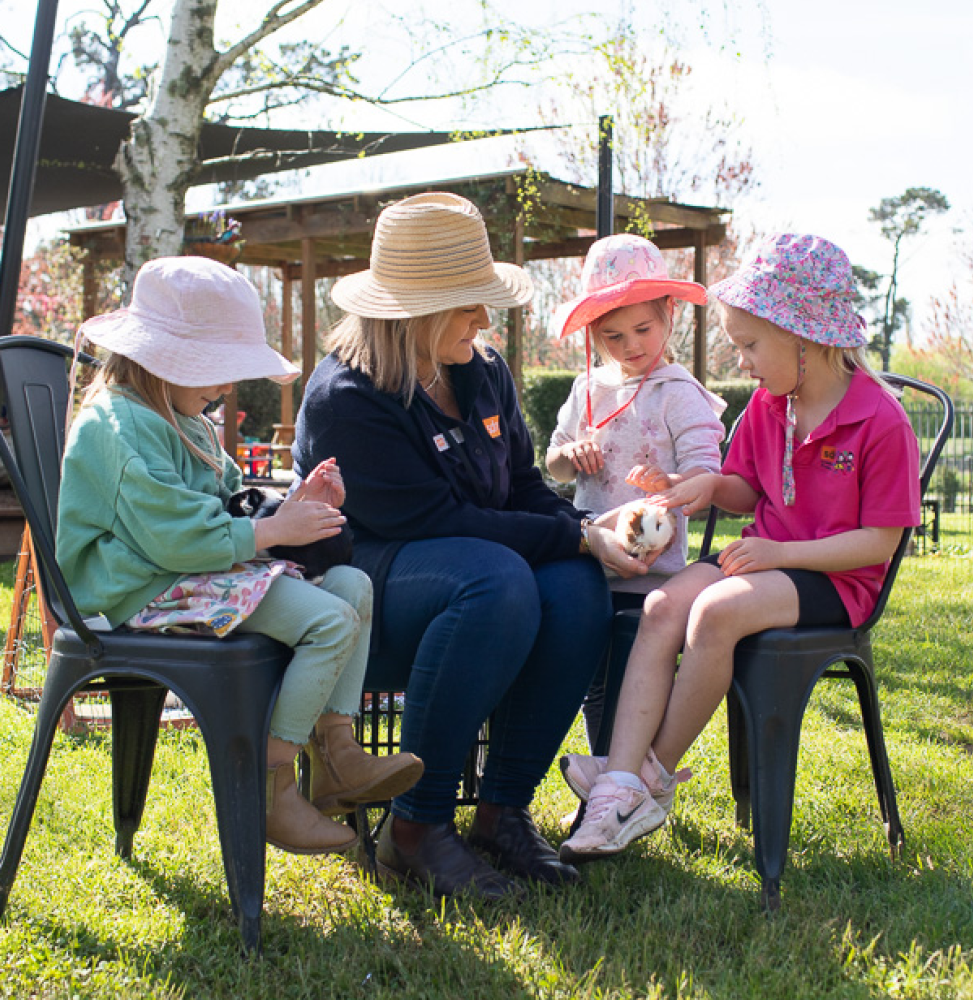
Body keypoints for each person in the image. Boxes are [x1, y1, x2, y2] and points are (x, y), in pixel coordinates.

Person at [292, 192, 647, 899]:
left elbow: (519, 486)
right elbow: (436, 520)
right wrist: (573, 534)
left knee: (577, 586)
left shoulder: (481, 371)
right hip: (363, 600)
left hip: (470, 576)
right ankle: (414, 829)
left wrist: (587, 534)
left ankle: (501, 813)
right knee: (499, 577)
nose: (486, 319)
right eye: (467, 304)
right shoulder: (347, 397)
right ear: (413, 312)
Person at [557, 234, 922, 861]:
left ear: (803, 338)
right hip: (765, 562)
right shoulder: (768, 407)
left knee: (715, 611)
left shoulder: (879, 420)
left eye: (751, 345)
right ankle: (620, 780)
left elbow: (878, 543)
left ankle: (647, 781)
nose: (742, 360)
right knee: (664, 607)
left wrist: (782, 555)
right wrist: (693, 487)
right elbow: (746, 491)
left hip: (836, 579)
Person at [55, 255, 423, 858]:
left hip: (185, 572)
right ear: (164, 359)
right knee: (328, 621)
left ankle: (335, 752)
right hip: (134, 590)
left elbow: (228, 502)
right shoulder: (115, 427)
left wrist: (292, 504)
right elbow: (171, 536)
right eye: (219, 370)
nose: (227, 386)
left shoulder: (184, 418)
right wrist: (276, 531)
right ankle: (273, 786)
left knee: (353, 587)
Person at [544, 233, 726, 752]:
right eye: (613, 336)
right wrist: (570, 454)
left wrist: (671, 486)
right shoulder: (587, 391)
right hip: (585, 563)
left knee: (625, 678)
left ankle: (619, 773)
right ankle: (605, 772)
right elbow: (554, 463)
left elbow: (704, 479)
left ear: (669, 313)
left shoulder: (680, 395)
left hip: (651, 573)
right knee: (590, 680)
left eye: (643, 329)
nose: (631, 347)